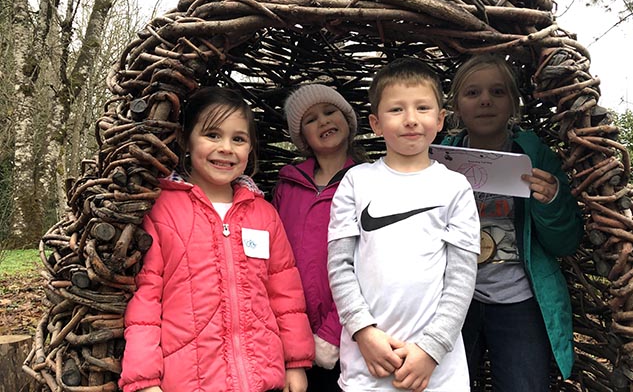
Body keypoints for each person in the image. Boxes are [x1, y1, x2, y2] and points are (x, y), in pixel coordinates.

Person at [119, 87, 315, 392]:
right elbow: (146, 300)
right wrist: (145, 379)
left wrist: (295, 363)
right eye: (212, 135)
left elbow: (284, 292)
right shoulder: (161, 211)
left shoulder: (263, 214)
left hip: (263, 378)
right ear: (185, 140)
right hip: (189, 382)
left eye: (238, 139)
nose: (226, 148)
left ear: (250, 148)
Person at [327, 58, 481, 392]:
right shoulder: (356, 182)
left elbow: (462, 277)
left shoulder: (455, 187)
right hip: (366, 363)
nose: (411, 120)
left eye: (423, 108)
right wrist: (364, 333)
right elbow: (339, 266)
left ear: (440, 120)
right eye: (396, 110)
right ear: (376, 123)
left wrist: (431, 349)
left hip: (438, 372)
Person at [442, 54, 584, 391]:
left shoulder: (535, 156)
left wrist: (551, 201)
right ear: (456, 106)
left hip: (519, 301)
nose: (486, 100)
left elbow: (566, 243)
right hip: (454, 301)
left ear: (513, 105)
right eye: (472, 93)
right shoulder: (441, 158)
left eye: (498, 92)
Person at [272, 84, 367, 390]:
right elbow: (273, 260)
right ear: (302, 137)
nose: (323, 121)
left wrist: (330, 333)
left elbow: (370, 267)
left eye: (329, 112)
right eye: (311, 119)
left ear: (348, 121)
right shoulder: (288, 186)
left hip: (349, 334)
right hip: (290, 334)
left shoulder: (368, 182)